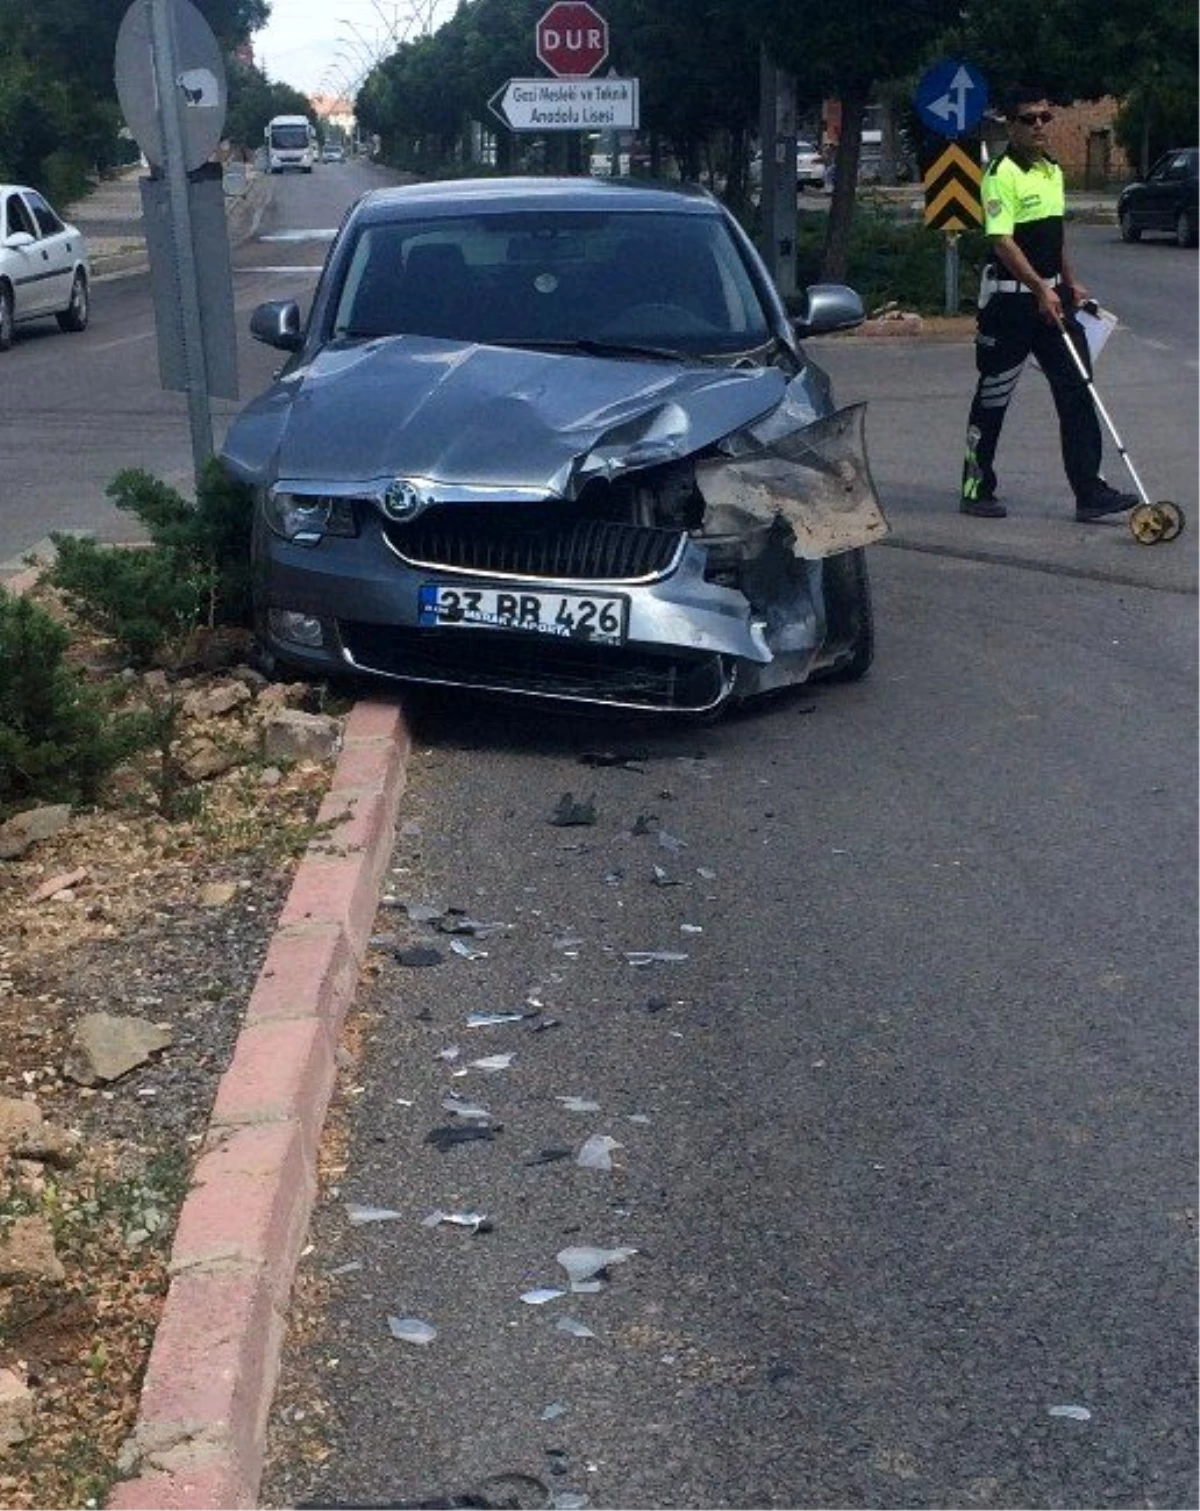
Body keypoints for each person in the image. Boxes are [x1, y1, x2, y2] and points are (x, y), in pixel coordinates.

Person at [960, 88, 1136, 522]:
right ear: (1011, 126)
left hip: (1053, 300)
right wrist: (1039, 287)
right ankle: (976, 485)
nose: (1038, 125)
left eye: (1044, 117)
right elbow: (1002, 241)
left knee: (1078, 389)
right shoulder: (1001, 174)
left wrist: (1068, 283)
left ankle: (1089, 492)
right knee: (994, 394)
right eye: (1028, 118)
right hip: (1011, 303)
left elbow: (1053, 238)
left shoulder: (1051, 170)